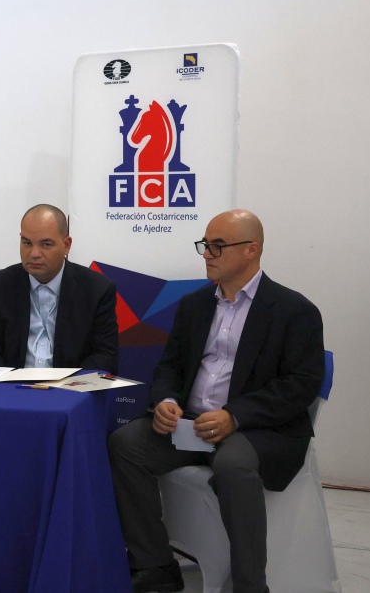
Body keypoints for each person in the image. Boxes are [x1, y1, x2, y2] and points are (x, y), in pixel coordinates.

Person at [107, 209, 325, 593]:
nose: (207, 254)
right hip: (191, 423)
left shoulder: (295, 311)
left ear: (251, 249)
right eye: (205, 245)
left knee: (233, 465)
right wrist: (165, 400)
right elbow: (170, 366)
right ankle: (155, 566)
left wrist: (235, 416)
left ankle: (249, 585)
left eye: (217, 246)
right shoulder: (195, 305)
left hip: (255, 430)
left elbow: (300, 384)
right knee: (125, 444)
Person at [0, 203, 118, 373]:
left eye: (46, 244)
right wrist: (10, 384)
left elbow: (105, 356)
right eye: (27, 243)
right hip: (10, 385)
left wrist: (68, 385)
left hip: (70, 387)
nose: (34, 253)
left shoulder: (97, 290)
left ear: (66, 245)